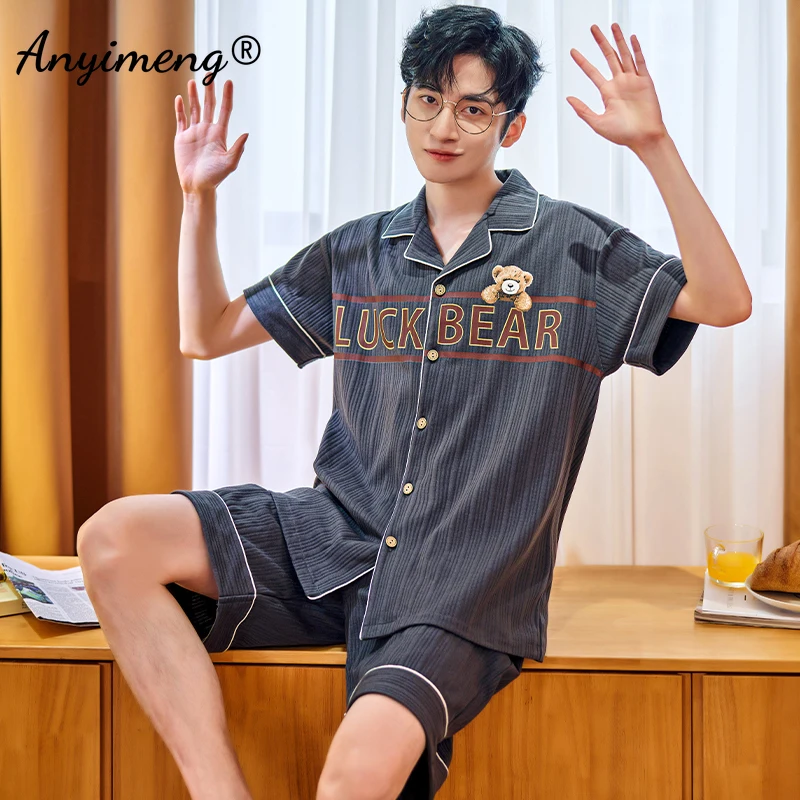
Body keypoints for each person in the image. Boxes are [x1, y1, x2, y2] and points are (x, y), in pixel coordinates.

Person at [76, 5, 752, 800]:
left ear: (513, 126)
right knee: (112, 539)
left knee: (354, 777)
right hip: (336, 539)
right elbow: (206, 333)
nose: (444, 126)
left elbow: (724, 300)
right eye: (428, 100)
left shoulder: (573, 248)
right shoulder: (358, 249)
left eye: (473, 109)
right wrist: (198, 197)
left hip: (461, 582)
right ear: (403, 105)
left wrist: (653, 145)